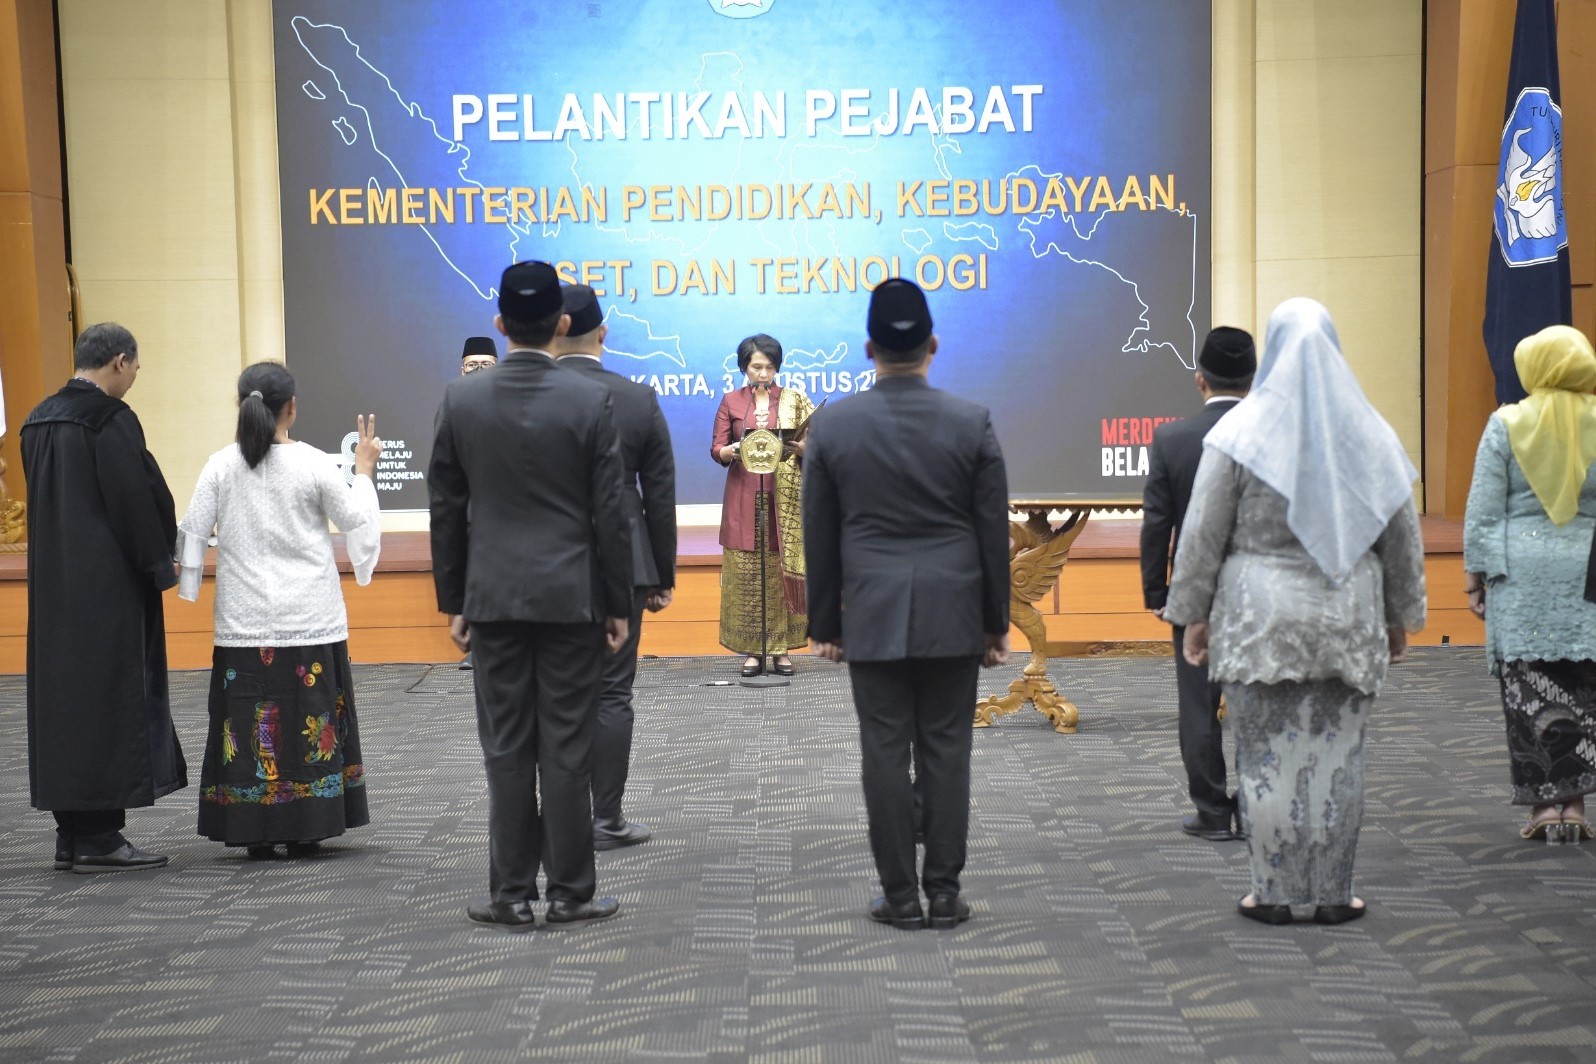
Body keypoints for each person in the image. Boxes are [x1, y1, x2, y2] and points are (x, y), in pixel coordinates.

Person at [1164, 297, 1426, 926]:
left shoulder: (1236, 434)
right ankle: (1334, 892)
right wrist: (1399, 619)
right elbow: (1402, 539)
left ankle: (1274, 891)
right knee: (1339, 758)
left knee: (1264, 759)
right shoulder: (1372, 433)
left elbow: (1202, 535)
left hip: (1260, 620)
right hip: (1348, 616)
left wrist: (1193, 615)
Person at [429, 260, 633, 931]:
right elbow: (610, 512)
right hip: (572, 598)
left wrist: (453, 602)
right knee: (567, 747)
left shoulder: (460, 401)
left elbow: (445, 508)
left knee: (507, 748)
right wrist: (617, 605)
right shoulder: (588, 401)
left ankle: (511, 892)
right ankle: (571, 891)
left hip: (492, 601)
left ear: (498, 325)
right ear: (564, 324)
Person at [802, 278, 1011, 930]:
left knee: (884, 753)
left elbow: (820, 533)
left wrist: (824, 625)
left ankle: (899, 896)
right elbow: (989, 532)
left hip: (871, 608)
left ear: (868, 348)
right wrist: (994, 622)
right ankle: (944, 892)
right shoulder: (970, 420)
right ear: (934, 345)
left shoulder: (832, 424)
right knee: (948, 751)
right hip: (953, 610)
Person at [176, 362, 382, 859]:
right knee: (309, 717)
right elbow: (354, 517)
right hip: (309, 617)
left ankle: (254, 828)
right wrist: (364, 469)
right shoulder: (313, 462)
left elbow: (192, 532)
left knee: (246, 722)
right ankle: (308, 824)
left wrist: (187, 586)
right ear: (292, 407)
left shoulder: (221, 464)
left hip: (243, 624)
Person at [20, 322, 186, 872]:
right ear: (118, 361)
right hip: (107, 592)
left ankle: (72, 831)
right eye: (136, 366)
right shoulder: (109, 420)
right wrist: (161, 566)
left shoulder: (35, 420)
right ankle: (102, 838)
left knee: (65, 708)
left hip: (53, 593)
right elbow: (133, 500)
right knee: (111, 703)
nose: (137, 375)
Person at [551, 283, 677, 851]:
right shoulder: (637, 398)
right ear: (604, 333)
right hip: (621, 563)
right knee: (611, 693)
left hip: (543, 564)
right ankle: (606, 819)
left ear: (555, 330)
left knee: (551, 695)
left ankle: (558, 820)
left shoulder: (524, 393)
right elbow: (661, 494)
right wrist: (662, 574)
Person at [1463, 324, 1596, 842]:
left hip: (1520, 576)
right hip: (1588, 574)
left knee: (1530, 693)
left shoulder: (1506, 424)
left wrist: (1476, 579)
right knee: (1584, 691)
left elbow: (1482, 512)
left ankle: (1544, 809)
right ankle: (1577, 805)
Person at [1140, 327, 1256, 842]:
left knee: (1198, 706)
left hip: (1196, 593)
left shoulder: (1172, 439)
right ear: (1252, 381)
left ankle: (1212, 812)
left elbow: (1156, 524)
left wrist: (1157, 594)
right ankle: (1258, 809)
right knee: (1259, 703)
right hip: (1263, 591)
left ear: (1199, 380)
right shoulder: (1275, 435)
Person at [711, 334, 815, 677]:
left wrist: (801, 449)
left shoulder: (794, 400)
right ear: (744, 367)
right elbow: (717, 448)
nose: (763, 373)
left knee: (777, 569)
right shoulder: (731, 401)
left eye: (769, 367)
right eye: (756, 366)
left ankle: (781, 650)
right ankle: (753, 651)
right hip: (744, 495)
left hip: (782, 497)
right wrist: (732, 451)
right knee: (748, 572)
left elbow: (817, 443)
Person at [456, 336, 497, 673]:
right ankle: (477, 649)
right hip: (467, 508)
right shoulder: (452, 404)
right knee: (473, 578)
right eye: (473, 365)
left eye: (486, 365)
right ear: (462, 369)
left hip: (505, 509)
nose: (479, 370)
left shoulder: (512, 402)